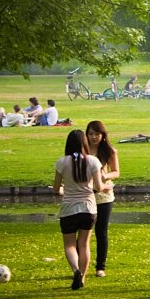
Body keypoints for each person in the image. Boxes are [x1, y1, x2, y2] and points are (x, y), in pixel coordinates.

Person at [53, 129, 105, 290]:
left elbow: (56, 188)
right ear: (84, 142)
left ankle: (75, 270)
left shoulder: (62, 162)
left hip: (68, 208)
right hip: (88, 208)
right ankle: (81, 277)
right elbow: (98, 187)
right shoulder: (93, 161)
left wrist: (63, 190)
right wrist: (107, 185)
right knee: (84, 244)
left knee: (69, 245)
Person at [86, 119, 120, 277]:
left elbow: (116, 172)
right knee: (84, 232)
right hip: (86, 194)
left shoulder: (109, 151)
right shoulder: (83, 150)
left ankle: (101, 267)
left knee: (101, 231)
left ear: (103, 135)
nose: (94, 137)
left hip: (104, 195)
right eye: (91, 134)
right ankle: (81, 266)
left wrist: (105, 177)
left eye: (97, 134)